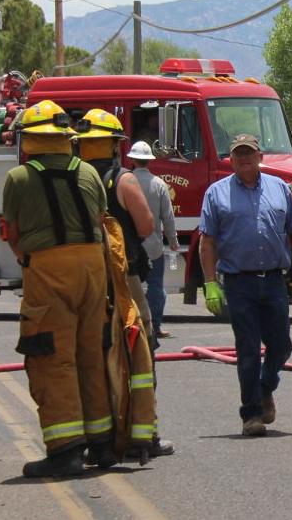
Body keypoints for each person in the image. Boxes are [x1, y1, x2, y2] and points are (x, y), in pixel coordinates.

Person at [2, 100, 110, 477]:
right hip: (93, 266)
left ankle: (65, 450)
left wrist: (32, 259)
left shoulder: (18, 178)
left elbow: (13, 234)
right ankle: (102, 441)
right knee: (92, 353)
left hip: (49, 269)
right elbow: (100, 220)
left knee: (52, 358)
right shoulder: (90, 174)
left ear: (30, 140)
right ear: (66, 138)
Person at [76, 109, 175, 458]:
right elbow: (147, 227)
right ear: (116, 146)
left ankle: (100, 438)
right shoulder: (123, 181)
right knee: (139, 353)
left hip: (85, 280)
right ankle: (143, 436)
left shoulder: (76, 179)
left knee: (95, 355)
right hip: (124, 278)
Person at [199, 134, 292, 437]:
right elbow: (207, 242)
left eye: (249, 153)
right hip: (239, 283)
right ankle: (251, 414)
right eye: (239, 154)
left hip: (274, 280)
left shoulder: (279, 189)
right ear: (231, 159)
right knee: (247, 349)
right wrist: (210, 283)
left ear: (259, 156)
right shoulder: (216, 193)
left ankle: (265, 387)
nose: (244, 158)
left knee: (282, 345)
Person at [128, 140, 180, 339]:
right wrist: (173, 241)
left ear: (132, 159)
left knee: (129, 286)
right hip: (153, 246)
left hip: (130, 245)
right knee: (156, 286)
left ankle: (133, 324)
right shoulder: (159, 184)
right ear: (149, 160)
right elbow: (168, 216)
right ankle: (155, 325)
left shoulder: (124, 181)